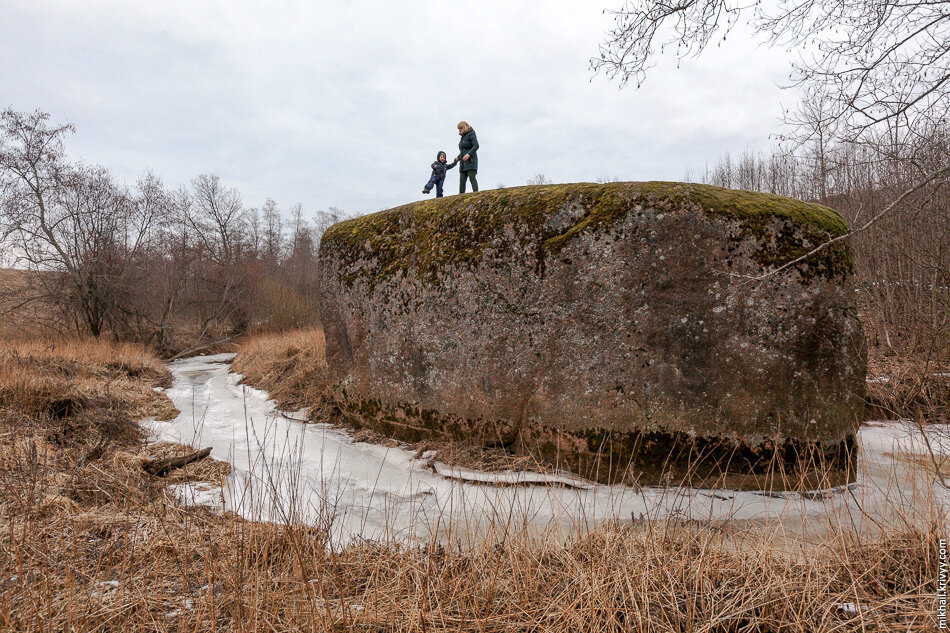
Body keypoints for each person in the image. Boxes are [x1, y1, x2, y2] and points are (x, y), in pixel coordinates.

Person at [455, 121, 479, 193]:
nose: (459, 130)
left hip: (471, 161)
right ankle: (460, 196)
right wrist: (458, 158)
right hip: (463, 163)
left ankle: (476, 194)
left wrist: (469, 154)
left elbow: (476, 146)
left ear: (465, 127)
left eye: (461, 128)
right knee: (462, 181)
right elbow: (463, 152)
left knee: (472, 178)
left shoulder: (471, 135)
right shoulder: (462, 138)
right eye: (458, 129)